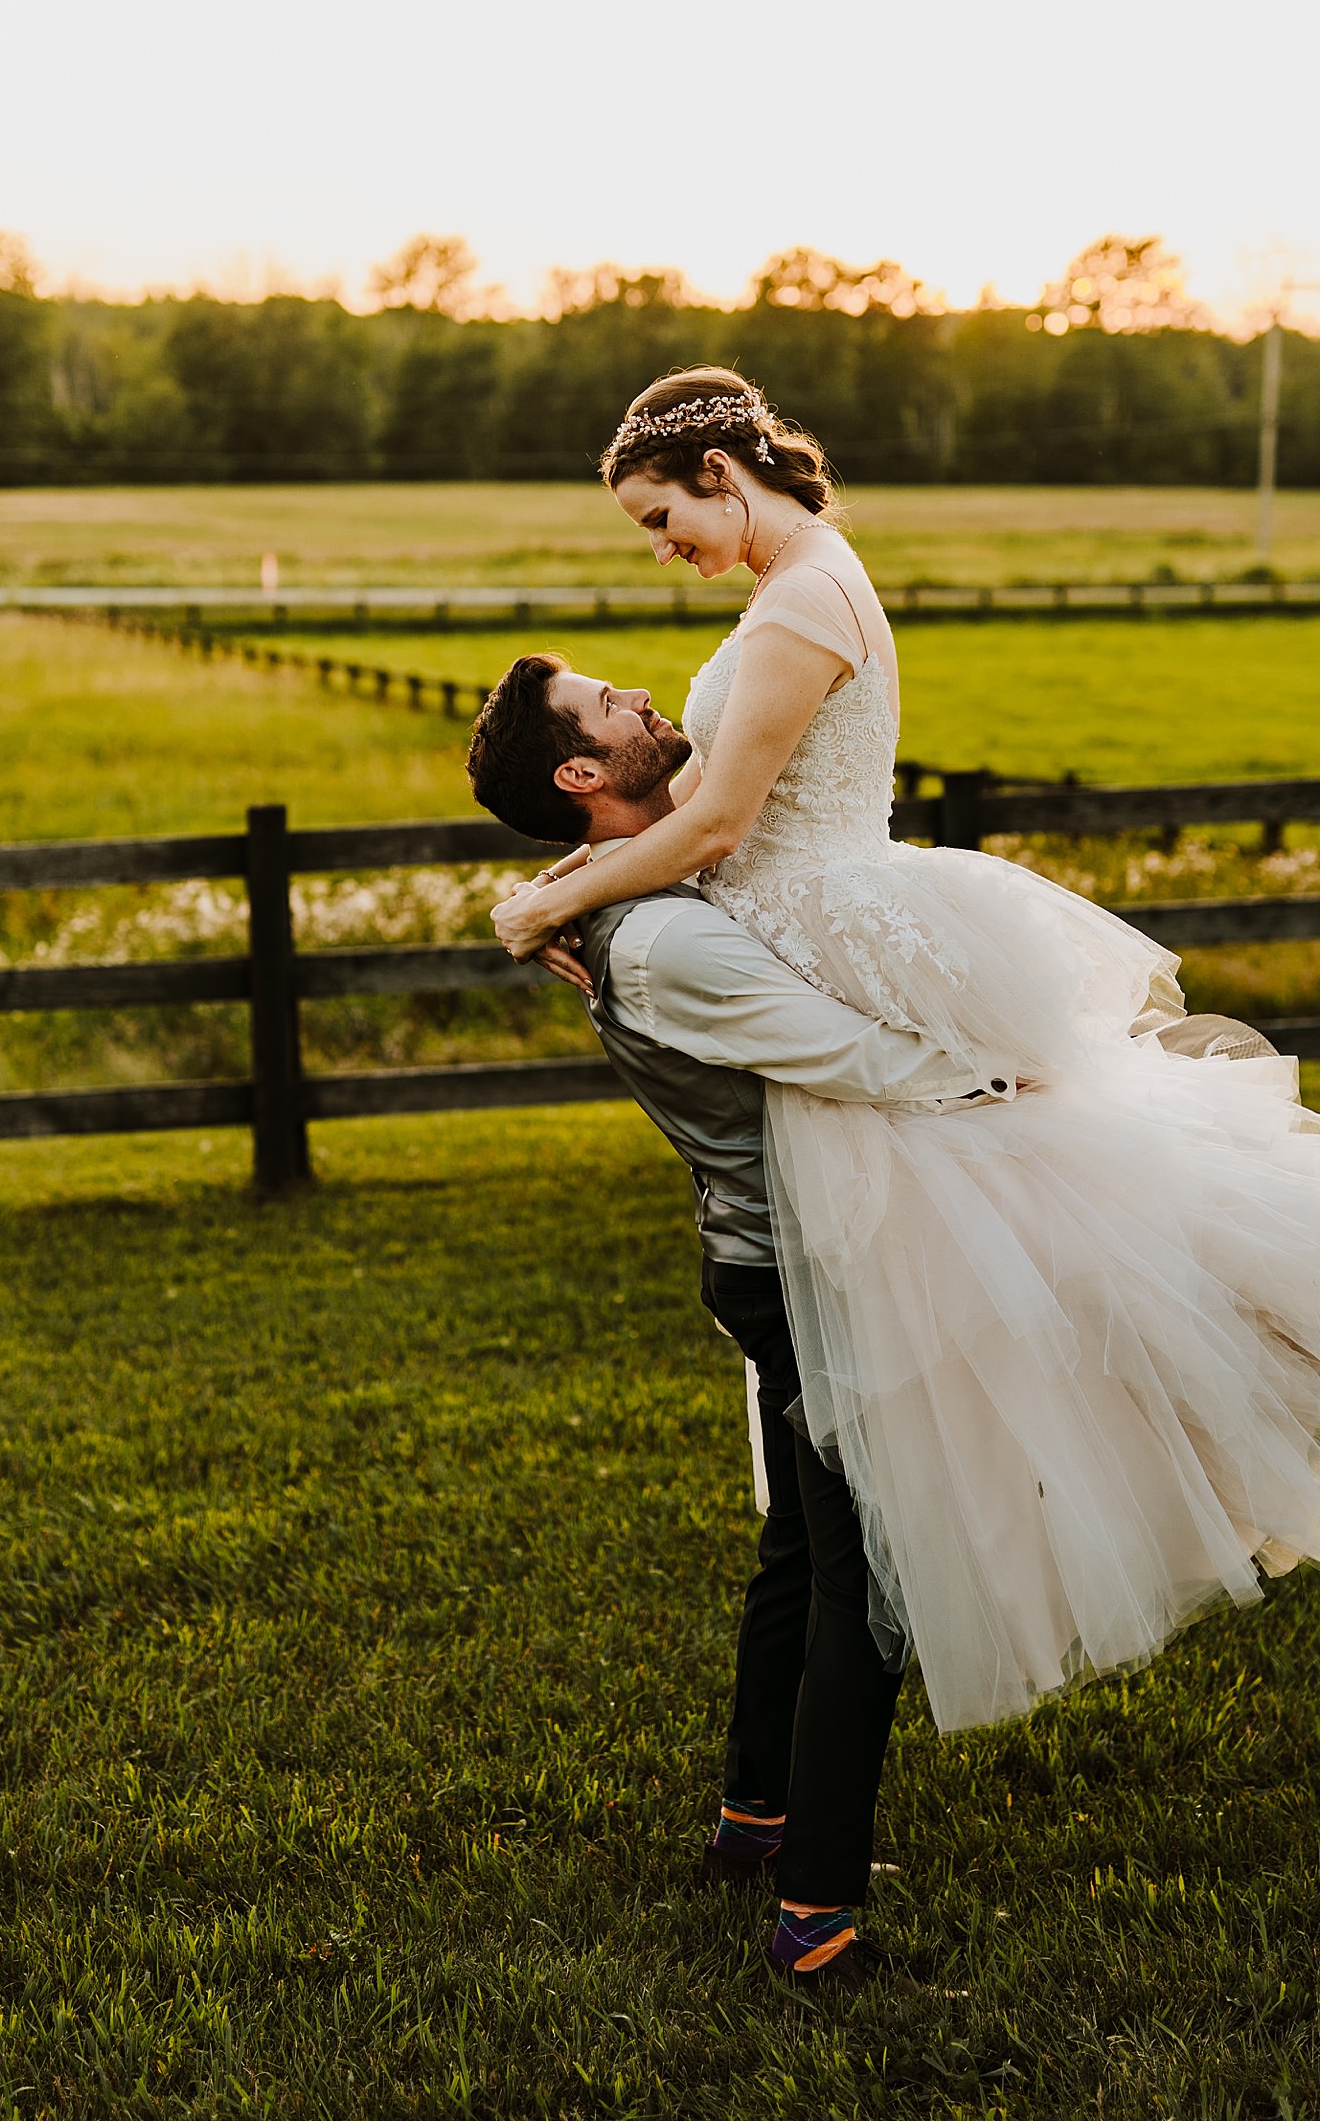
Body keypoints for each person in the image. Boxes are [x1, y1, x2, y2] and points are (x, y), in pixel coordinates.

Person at [485, 366, 1320, 1740]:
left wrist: (558, 895)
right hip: (800, 918)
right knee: (1010, 1193)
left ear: (721, 474)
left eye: (663, 519)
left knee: (1035, 1176)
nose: (665, 552)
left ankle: (1295, 1315)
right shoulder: (791, 589)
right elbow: (705, 826)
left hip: (834, 915)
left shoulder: (802, 600)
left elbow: (714, 827)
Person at [467, 656, 994, 1989]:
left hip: (765, 1258)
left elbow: (725, 812)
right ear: (579, 775)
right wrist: (1014, 1075)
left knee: (799, 1554)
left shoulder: (632, 899)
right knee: (862, 1577)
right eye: (606, 708)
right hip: (801, 1274)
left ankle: (755, 1821)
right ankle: (816, 1918)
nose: (644, 701)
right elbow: (862, 1063)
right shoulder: (666, 941)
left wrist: (536, 901)